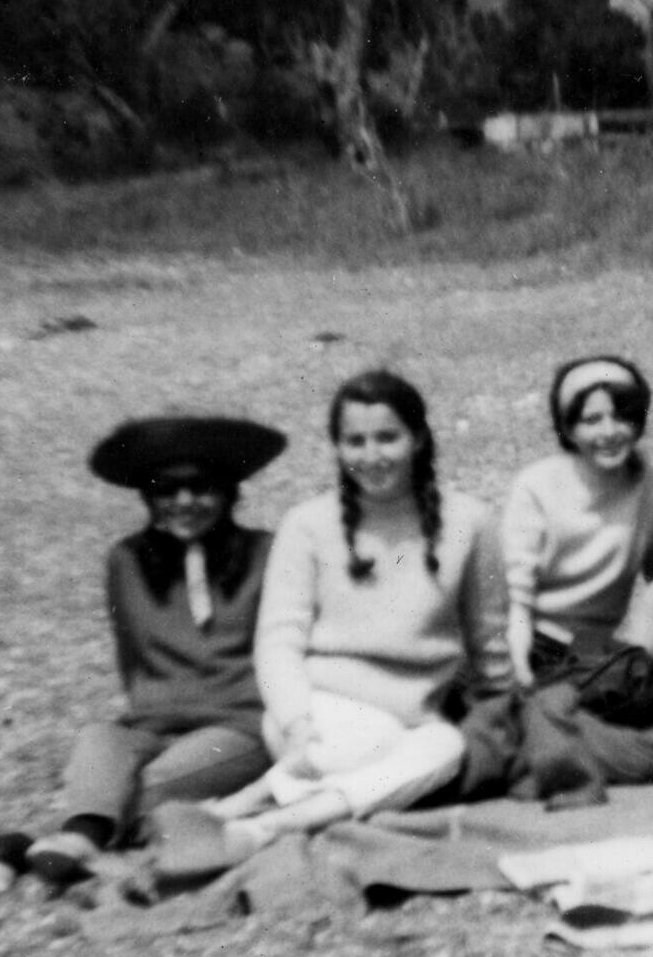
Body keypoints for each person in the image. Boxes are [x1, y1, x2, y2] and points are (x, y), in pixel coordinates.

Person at [171, 370, 508, 873]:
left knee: (447, 748)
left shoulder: (470, 522)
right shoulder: (307, 524)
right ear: (337, 447)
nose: (372, 456)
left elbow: (489, 637)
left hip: (410, 720)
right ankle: (266, 803)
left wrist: (504, 706)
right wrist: (297, 724)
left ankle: (265, 819)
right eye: (355, 441)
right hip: (314, 719)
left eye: (387, 437)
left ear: (418, 438)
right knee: (376, 744)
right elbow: (278, 641)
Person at [21, 415, 288, 885]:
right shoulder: (126, 560)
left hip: (238, 726)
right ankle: (84, 840)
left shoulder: (267, 554)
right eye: (166, 490)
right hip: (153, 724)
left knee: (148, 786)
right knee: (98, 739)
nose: (184, 502)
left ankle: (55, 841)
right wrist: (150, 713)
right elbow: (131, 654)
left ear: (229, 492)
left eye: (201, 487)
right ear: (148, 497)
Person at [499, 355, 653, 688]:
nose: (609, 432)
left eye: (621, 417)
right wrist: (519, 672)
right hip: (533, 638)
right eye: (591, 420)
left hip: (594, 649)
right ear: (568, 428)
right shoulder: (536, 486)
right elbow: (515, 600)